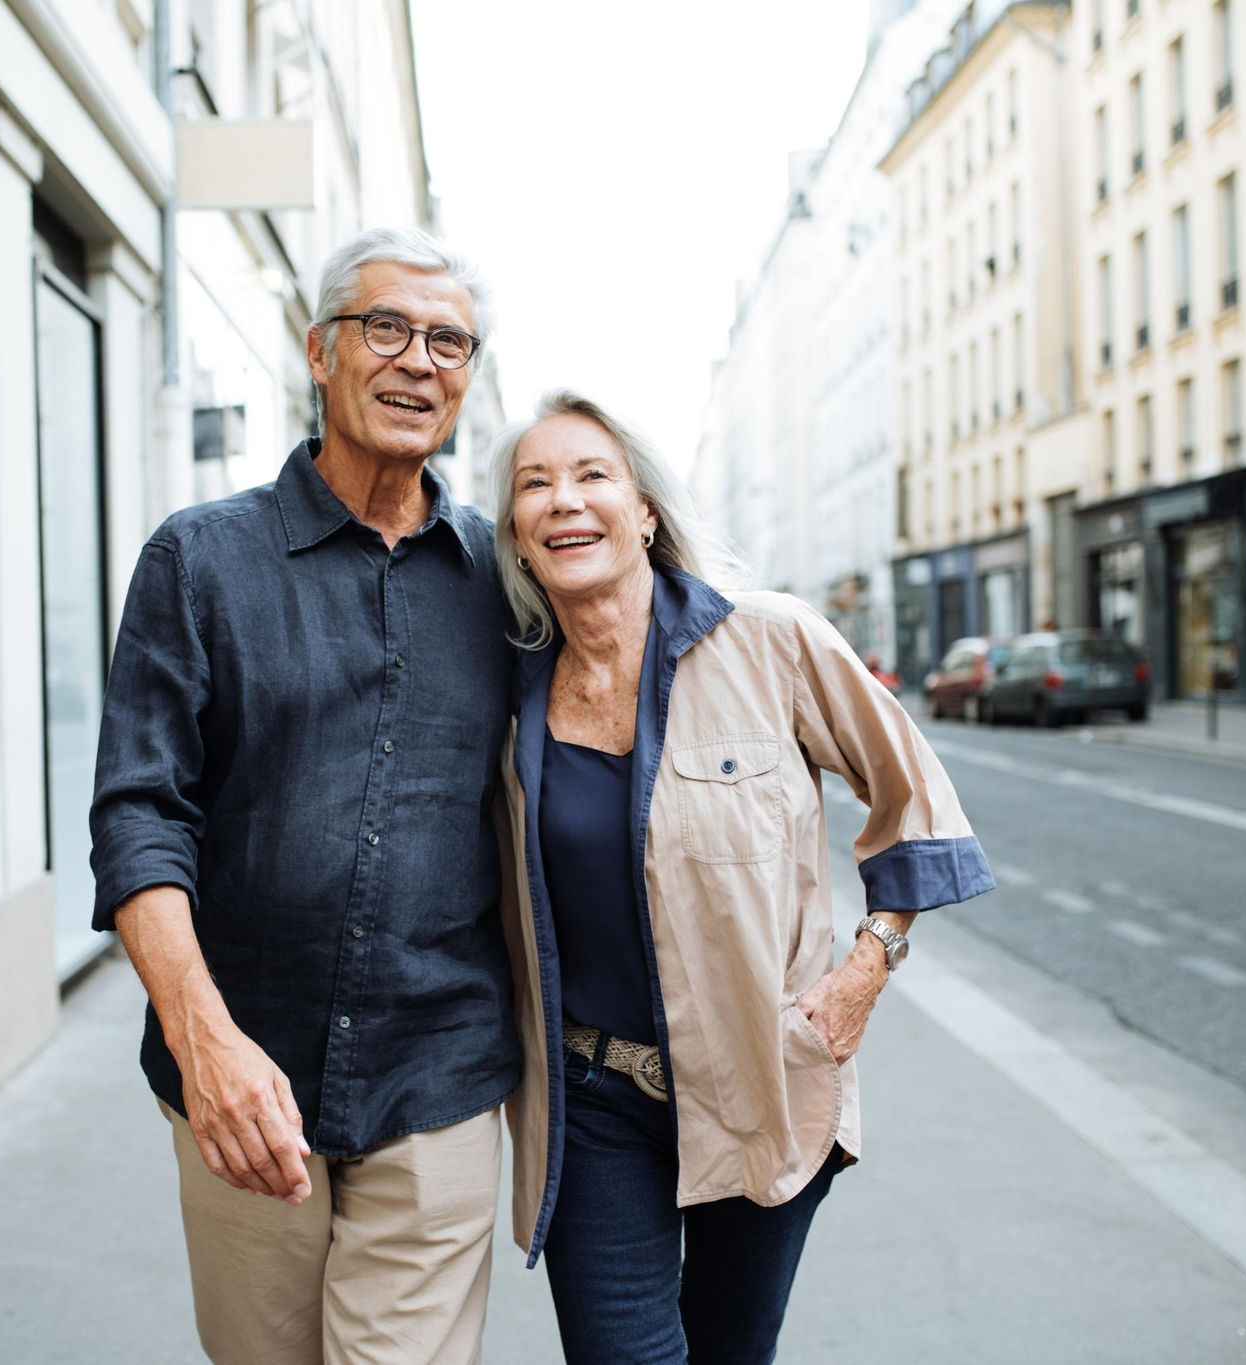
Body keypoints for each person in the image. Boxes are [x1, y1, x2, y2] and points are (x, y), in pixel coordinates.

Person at [489, 391, 994, 1363]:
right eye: (534, 484)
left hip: (761, 1074)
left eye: (592, 475)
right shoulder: (507, 688)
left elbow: (915, 801)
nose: (564, 500)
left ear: (645, 510)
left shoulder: (768, 639)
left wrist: (865, 968)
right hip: (592, 1099)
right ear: (515, 533)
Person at [89, 227, 518, 1365]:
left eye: (449, 342)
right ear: (319, 350)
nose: (418, 360)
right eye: (387, 328)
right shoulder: (198, 560)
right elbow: (138, 816)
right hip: (242, 1073)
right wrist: (203, 1041)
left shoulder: (505, 581)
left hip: (439, 1072)